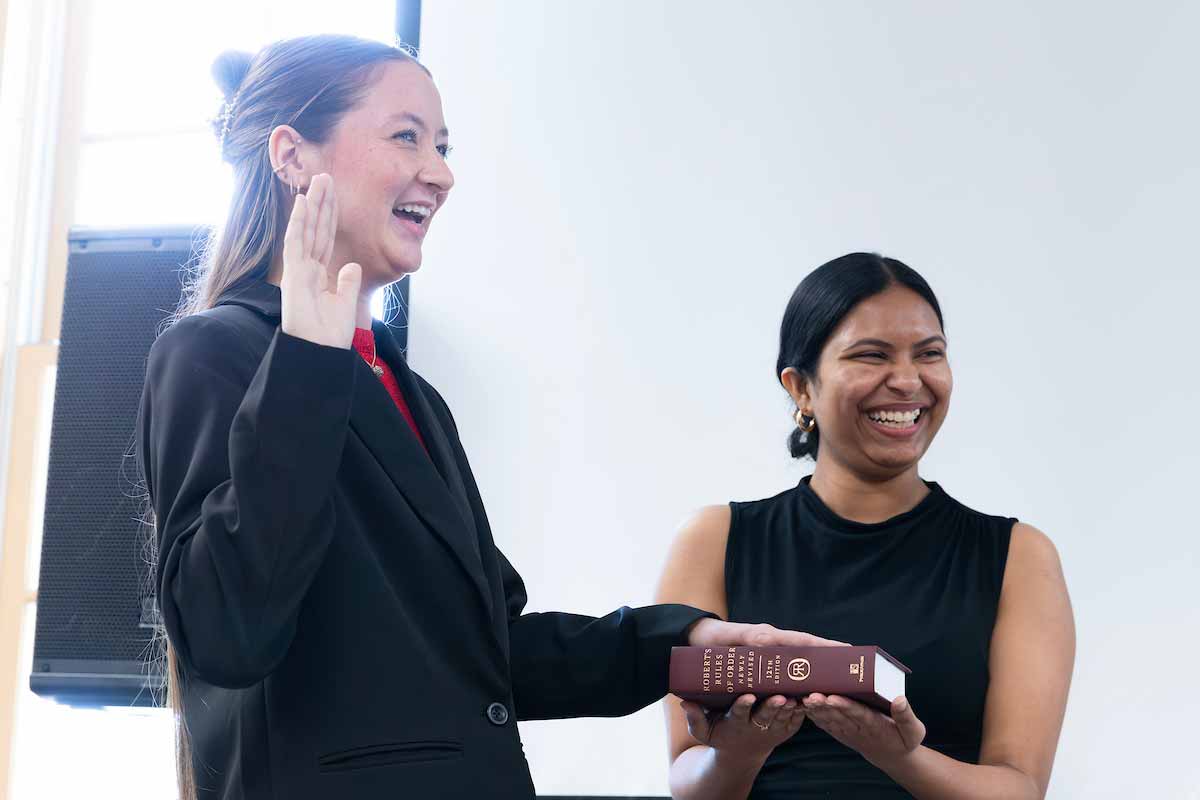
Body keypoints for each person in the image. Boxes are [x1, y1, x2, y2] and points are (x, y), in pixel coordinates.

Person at [135, 35, 833, 800]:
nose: (439, 172)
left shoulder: (412, 394)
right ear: (293, 156)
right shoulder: (214, 353)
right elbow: (228, 633)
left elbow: (489, 657)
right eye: (406, 136)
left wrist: (690, 642)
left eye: (442, 145)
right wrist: (307, 358)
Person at [656, 253, 1075, 799]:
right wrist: (739, 753)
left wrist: (899, 757)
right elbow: (688, 780)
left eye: (930, 354)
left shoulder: (1019, 556)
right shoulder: (712, 540)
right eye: (871, 355)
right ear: (801, 388)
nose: (907, 380)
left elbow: (1018, 788)